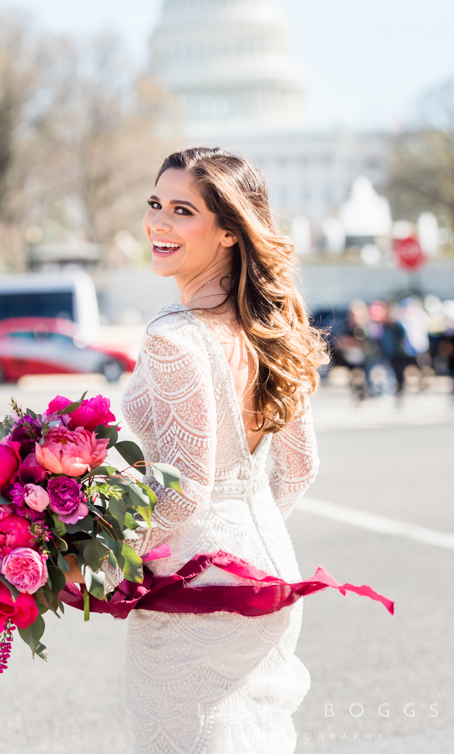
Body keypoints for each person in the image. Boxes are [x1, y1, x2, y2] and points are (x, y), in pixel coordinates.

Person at [115, 147, 328, 754]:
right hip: (270, 571)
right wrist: (242, 527)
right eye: (155, 204)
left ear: (230, 230)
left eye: (183, 210)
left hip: (195, 591)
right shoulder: (272, 332)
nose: (158, 222)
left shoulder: (173, 337)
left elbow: (183, 493)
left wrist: (97, 557)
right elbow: (300, 467)